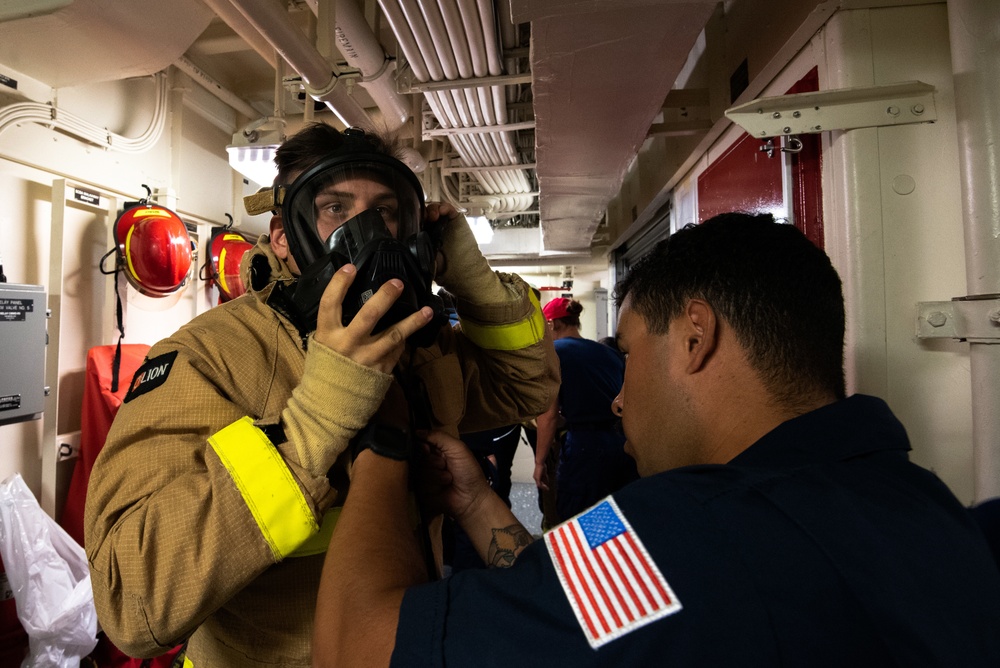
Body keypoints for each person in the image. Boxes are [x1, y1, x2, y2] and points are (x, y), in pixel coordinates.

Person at [313, 212, 1000, 667]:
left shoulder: (686, 528)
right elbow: (561, 588)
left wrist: (385, 433)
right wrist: (472, 503)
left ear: (696, 337)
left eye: (632, 355)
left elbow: (355, 648)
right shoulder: (929, 504)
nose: (618, 395)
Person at [84, 123, 559, 667]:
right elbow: (129, 604)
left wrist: (471, 278)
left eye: (386, 211)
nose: (369, 230)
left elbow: (530, 386)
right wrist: (315, 424)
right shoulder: (208, 356)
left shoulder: (413, 347)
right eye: (336, 208)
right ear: (284, 237)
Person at [535, 297, 638, 521]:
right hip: (623, 443)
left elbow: (549, 415)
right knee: (616, 516)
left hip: (585, 448)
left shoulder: (553, 353)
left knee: (578, 517)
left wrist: (539, 462)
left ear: (553, 324)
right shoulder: (607, 352)